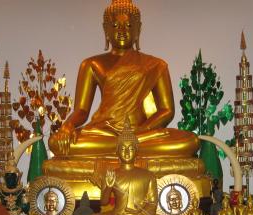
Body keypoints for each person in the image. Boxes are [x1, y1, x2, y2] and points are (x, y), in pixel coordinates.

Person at [48, 0, 198, 159]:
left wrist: (140, 131)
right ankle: (123, 147)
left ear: (138, 30)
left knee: (190, 141)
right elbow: (81, 111)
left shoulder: (156, 65)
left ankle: (123, 147)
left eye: (128, 26)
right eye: (115, 26)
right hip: (104, 133)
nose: (121, 30)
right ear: (106, 29)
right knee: (55, 143)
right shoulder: (91, 64)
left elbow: (167, 110)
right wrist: (68, 125)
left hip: (141, 134)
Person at [85, 123, 175, 215]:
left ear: (136, 151)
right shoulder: (111, 175)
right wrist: (108, 186)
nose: (127, 152)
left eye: (131, 148)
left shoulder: (148, 175)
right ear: (117, 152)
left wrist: (139, 213)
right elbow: (103, 202)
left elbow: (152, 204)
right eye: (123, 149)